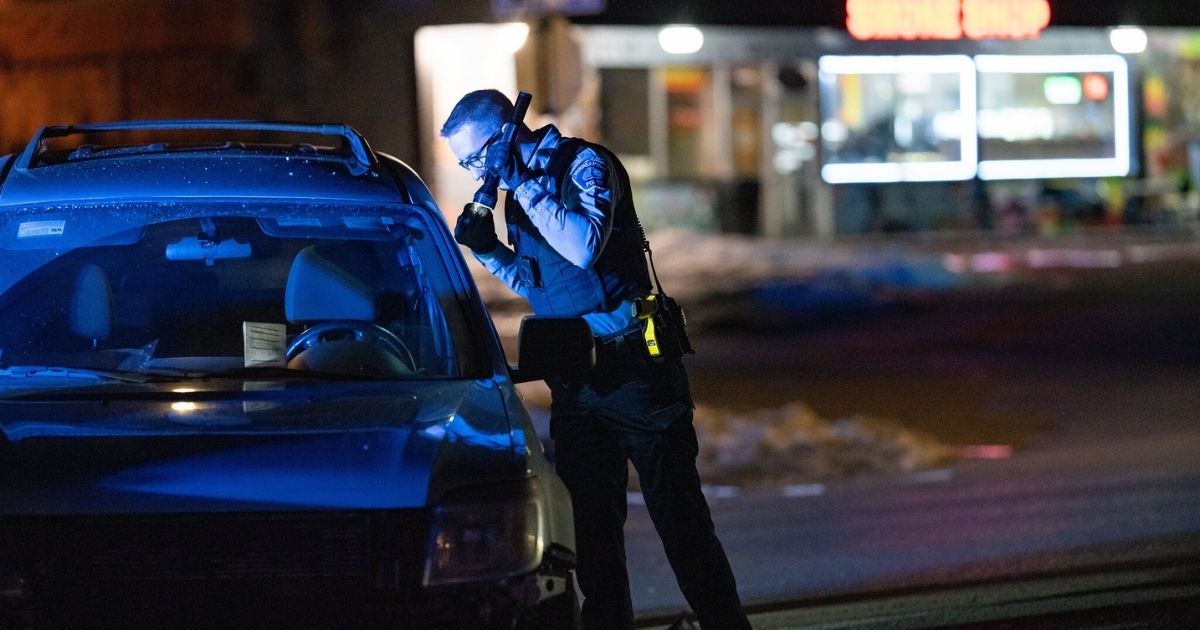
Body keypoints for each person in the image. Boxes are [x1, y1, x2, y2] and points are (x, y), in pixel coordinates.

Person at [441, 89, 751, 630]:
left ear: (504, 137)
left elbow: (584, 244)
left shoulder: (585, 165)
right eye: (465, 164)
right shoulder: (518, 196)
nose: (473, 172)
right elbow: (540, 284)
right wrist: (488, 250)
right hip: (577, 384)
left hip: (637, 377)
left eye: (474, 158)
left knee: (681, 524)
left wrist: (526, 184)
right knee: (593, 537)